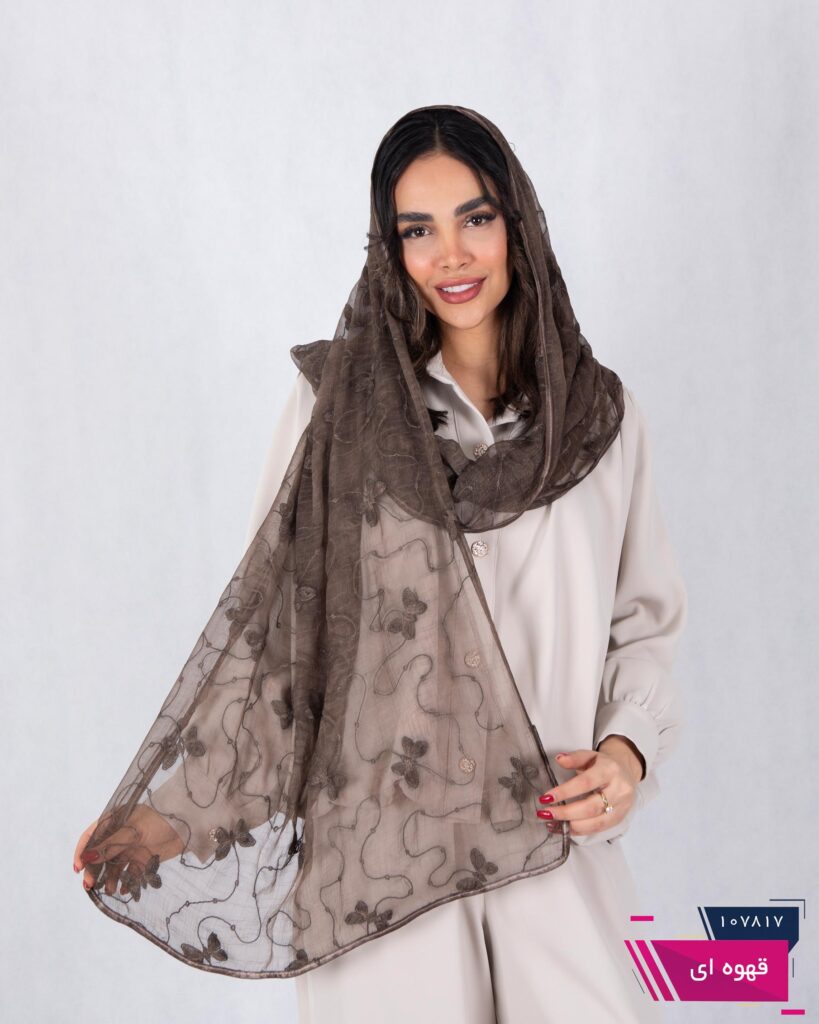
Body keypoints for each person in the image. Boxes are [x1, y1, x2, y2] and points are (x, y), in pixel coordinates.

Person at [74, 105, 686, 1023]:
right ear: (387, 248)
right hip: (376, 877)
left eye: (475, 218)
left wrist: (626, 751)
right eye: (417, 230)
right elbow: (278, 638)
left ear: (517, 222)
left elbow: (643, 625)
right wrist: (174, 814)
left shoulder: (601, 419)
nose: (451, 255)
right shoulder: (336, 410)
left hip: (553, 852)